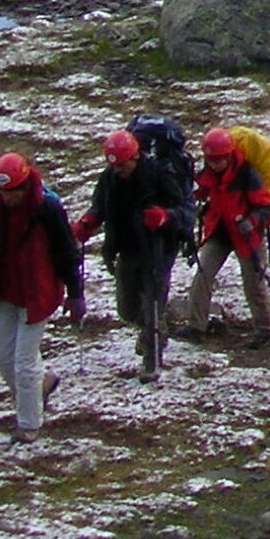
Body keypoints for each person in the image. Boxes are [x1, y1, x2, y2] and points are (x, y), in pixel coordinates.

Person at [0, 152, 83, 437]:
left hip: (37, 293)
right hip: (5, 291)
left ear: (25, 184)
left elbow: (67, 253)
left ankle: (29, 425)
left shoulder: (47, 208)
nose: (8, 198)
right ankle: (42, 385)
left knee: (25, 363)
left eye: (13, 191)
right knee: (1, 356)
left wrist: (75, 294)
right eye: (3, 192)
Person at [72, 127, 188, 383]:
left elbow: (182, 210)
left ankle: (151, 358)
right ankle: (155, 329)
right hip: (126, 247)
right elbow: (100, 206)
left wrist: (164, 217)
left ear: (134, 157)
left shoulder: (159, 175)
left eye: (122, 165)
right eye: (113, 166)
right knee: (126, 308)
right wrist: (89, 222)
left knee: (151, 304)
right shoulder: (109, 178)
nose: (118, 170)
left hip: (157, 249)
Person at [181, 128, 270, 347]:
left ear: (229, 155)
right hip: (220, 232)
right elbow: (197, 191)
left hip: (247, 235)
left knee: (254, 284)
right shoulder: (208, 173)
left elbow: (266, 207)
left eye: (218, 160)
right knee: (203, 275)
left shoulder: (248, 175)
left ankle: (266, 330)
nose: (214, 164)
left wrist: (251, 221)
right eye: (210, 160)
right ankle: (196, 326)